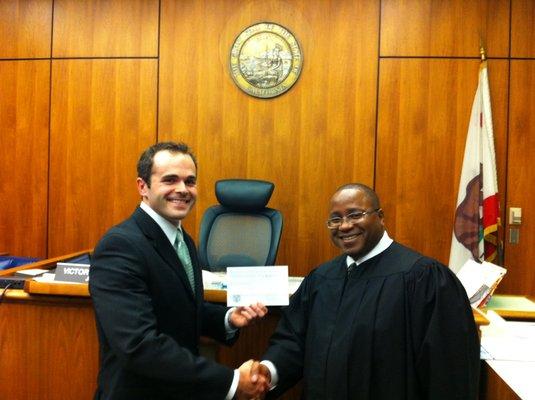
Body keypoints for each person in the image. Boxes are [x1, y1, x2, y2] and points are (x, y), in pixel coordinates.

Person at [251, 183, 480, 399]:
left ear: (380, 217)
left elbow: (449, 372)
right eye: (335, 219)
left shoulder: (424, 279)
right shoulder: (321, 279)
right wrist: (268, 371)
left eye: (355, 214)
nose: (345, 225)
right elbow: (292, 341)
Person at [89, 141, 269, 400]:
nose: (182, 189)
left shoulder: (183, 240)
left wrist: (228, 319)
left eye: (190, 181)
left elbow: (178, 307)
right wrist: (232, 382)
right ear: (143, 187)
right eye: (170, 180)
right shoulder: (121, 246)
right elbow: (139, 346)